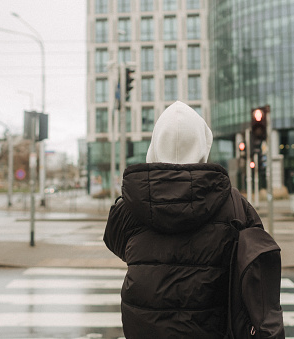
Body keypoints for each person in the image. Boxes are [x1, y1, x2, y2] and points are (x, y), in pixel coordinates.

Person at [104, 101, 270, 338]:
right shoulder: (233, 204)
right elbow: (253, 261)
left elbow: (116, 243)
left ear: (155, 144)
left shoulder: (131, 205)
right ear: (204, 144)